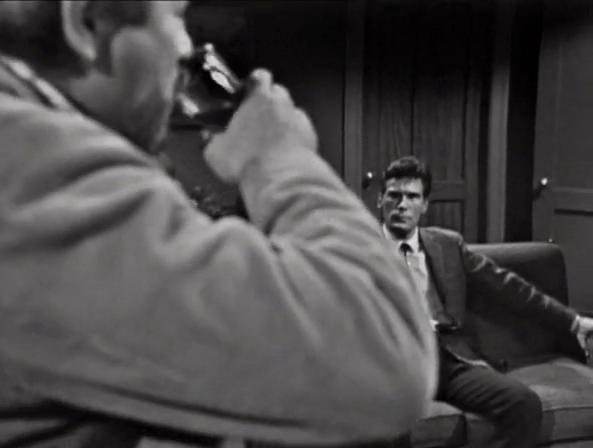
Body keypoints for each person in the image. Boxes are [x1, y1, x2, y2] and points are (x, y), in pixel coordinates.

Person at [0, 2, 438, 448]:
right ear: (87, 22)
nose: (187, 48)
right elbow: (385, 358)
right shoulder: (29, 171)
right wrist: (278, 156)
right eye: (176, 15)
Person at [378, 156, 593, 448]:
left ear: (425, 205)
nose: (402, 205)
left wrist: (573, 322)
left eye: (412, 197)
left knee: (524, 404)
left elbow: (510, 288)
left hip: (447, 359)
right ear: (380, 200)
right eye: (394, 195)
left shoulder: (447, 245)